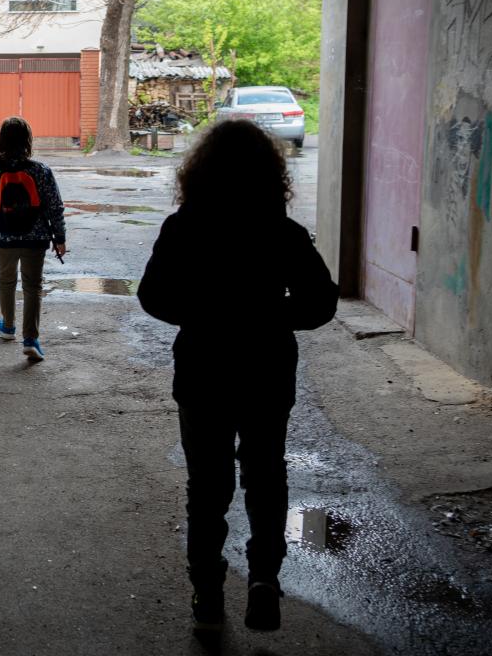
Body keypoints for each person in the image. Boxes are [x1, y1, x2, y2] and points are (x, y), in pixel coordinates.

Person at [137, 120, 338, 634]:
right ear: (271, 175)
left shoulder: (183, 228)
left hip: (203, 367)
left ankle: (207, 595)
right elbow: (320, 303)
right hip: (267, 368)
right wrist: (271, 315)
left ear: (198, 172)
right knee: (266, 476)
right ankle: (264, 581)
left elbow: (153, 297)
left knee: (207, 486)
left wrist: (203, 313)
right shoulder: (282, 232)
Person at [0, 116, 67, 361]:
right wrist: (60, 237)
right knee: (33, 286)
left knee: (7, 281)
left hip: (4, 237)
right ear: (27, 141)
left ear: (1, 140)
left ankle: (8, 326)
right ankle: (31, 339)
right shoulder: (40, 171)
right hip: (36, 238)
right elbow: (55, 206)